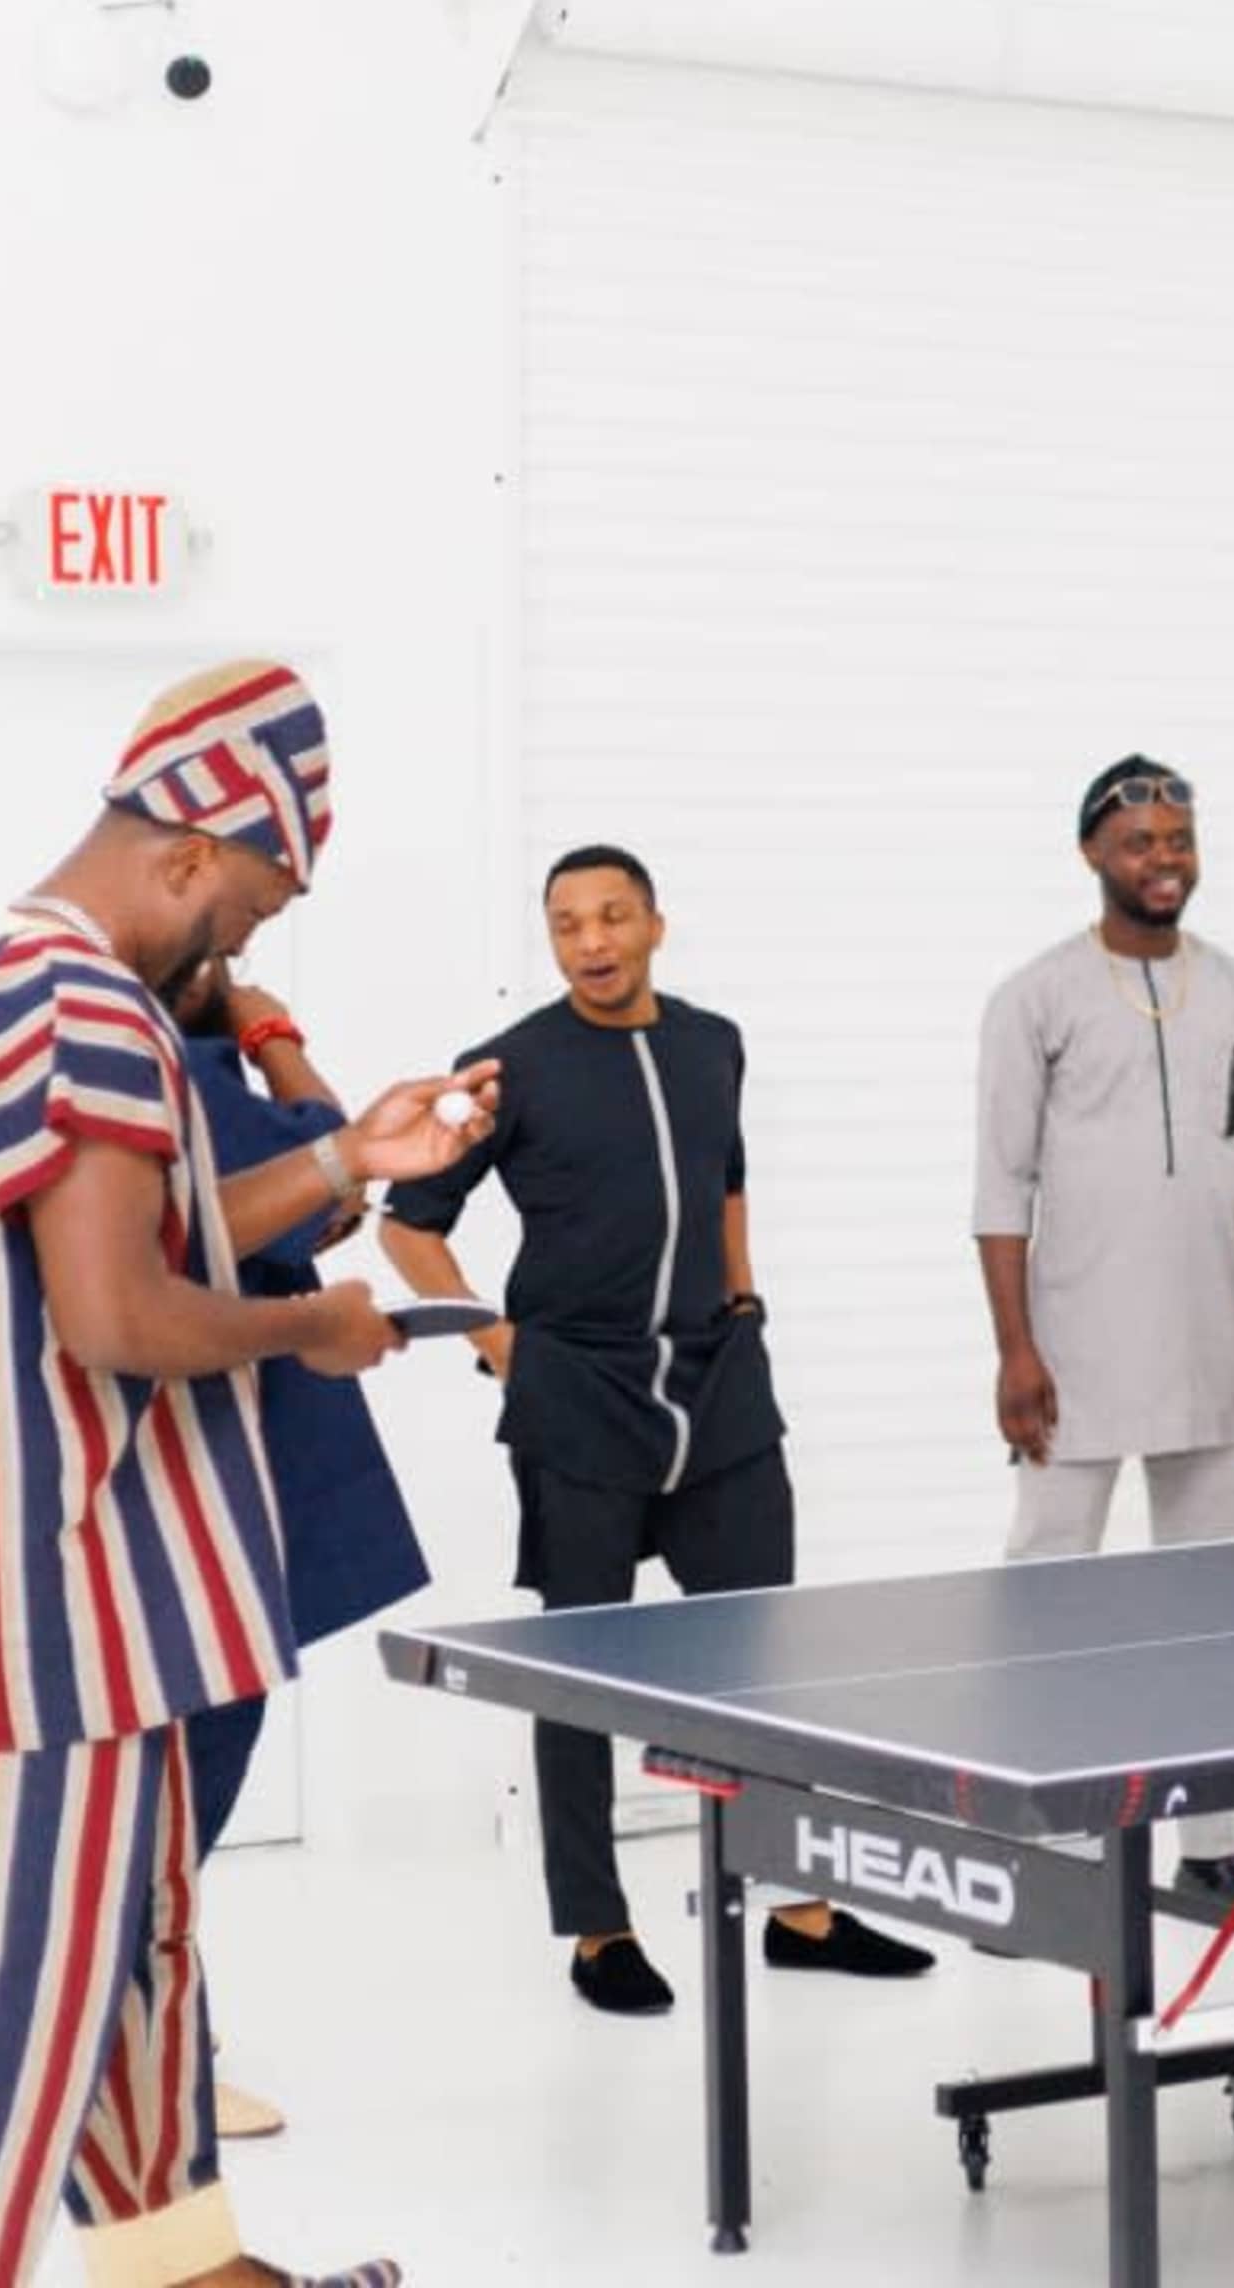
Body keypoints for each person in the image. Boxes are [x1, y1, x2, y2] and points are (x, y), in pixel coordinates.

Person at [0, 659, 482, 2288]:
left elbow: (149, 1228)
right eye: (262, 907)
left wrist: (355, 1158)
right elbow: (120, 1311)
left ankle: (183, 2271)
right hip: (44, 1583)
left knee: (136, 1944)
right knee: (19, 1985)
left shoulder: (18, 972)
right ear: (196, 852)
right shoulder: (75, 1002)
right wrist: (322, 1329)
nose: (252, 944)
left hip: (94, 1578)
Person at [380, 845, 930, 2010]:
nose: (591, 941)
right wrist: (500, 1343)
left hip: (720, 1383)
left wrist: (741, 1294)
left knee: (765, 1656)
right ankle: (599, 1927)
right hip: (577, 1391)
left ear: (655, 927)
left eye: (612, 916)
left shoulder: (712, 1042)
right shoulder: (510, 1068)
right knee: (581, 1666)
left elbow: (726, 1180)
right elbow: (408, 1224)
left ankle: (803, 1905)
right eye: (568, 923)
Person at [974, 755, 1234, 1912]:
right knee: (1051, 1607)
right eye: (1140, 842)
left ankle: (1209, 1848)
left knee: (1210, 1610)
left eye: (1179, 838)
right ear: (1091, 855)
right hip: (1073, 1353)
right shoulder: (1038, 996)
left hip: (1216, 1348)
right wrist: (1016, 1351)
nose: (1163, 859)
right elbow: (999, 1188)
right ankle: (1048, 1862)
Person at [163, 956, 437, 2143]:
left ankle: (154, 2041)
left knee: (200, 1748)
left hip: (249, 1430)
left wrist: (254, 1029)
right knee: (184, 1761)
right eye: (228, 936)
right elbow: (334, 1170)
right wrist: (268, 1026)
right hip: (201, 1436)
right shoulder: (169, 1064)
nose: (238, 953)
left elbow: (333, 1181)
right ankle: (154, 2061)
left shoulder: (203, 1061)